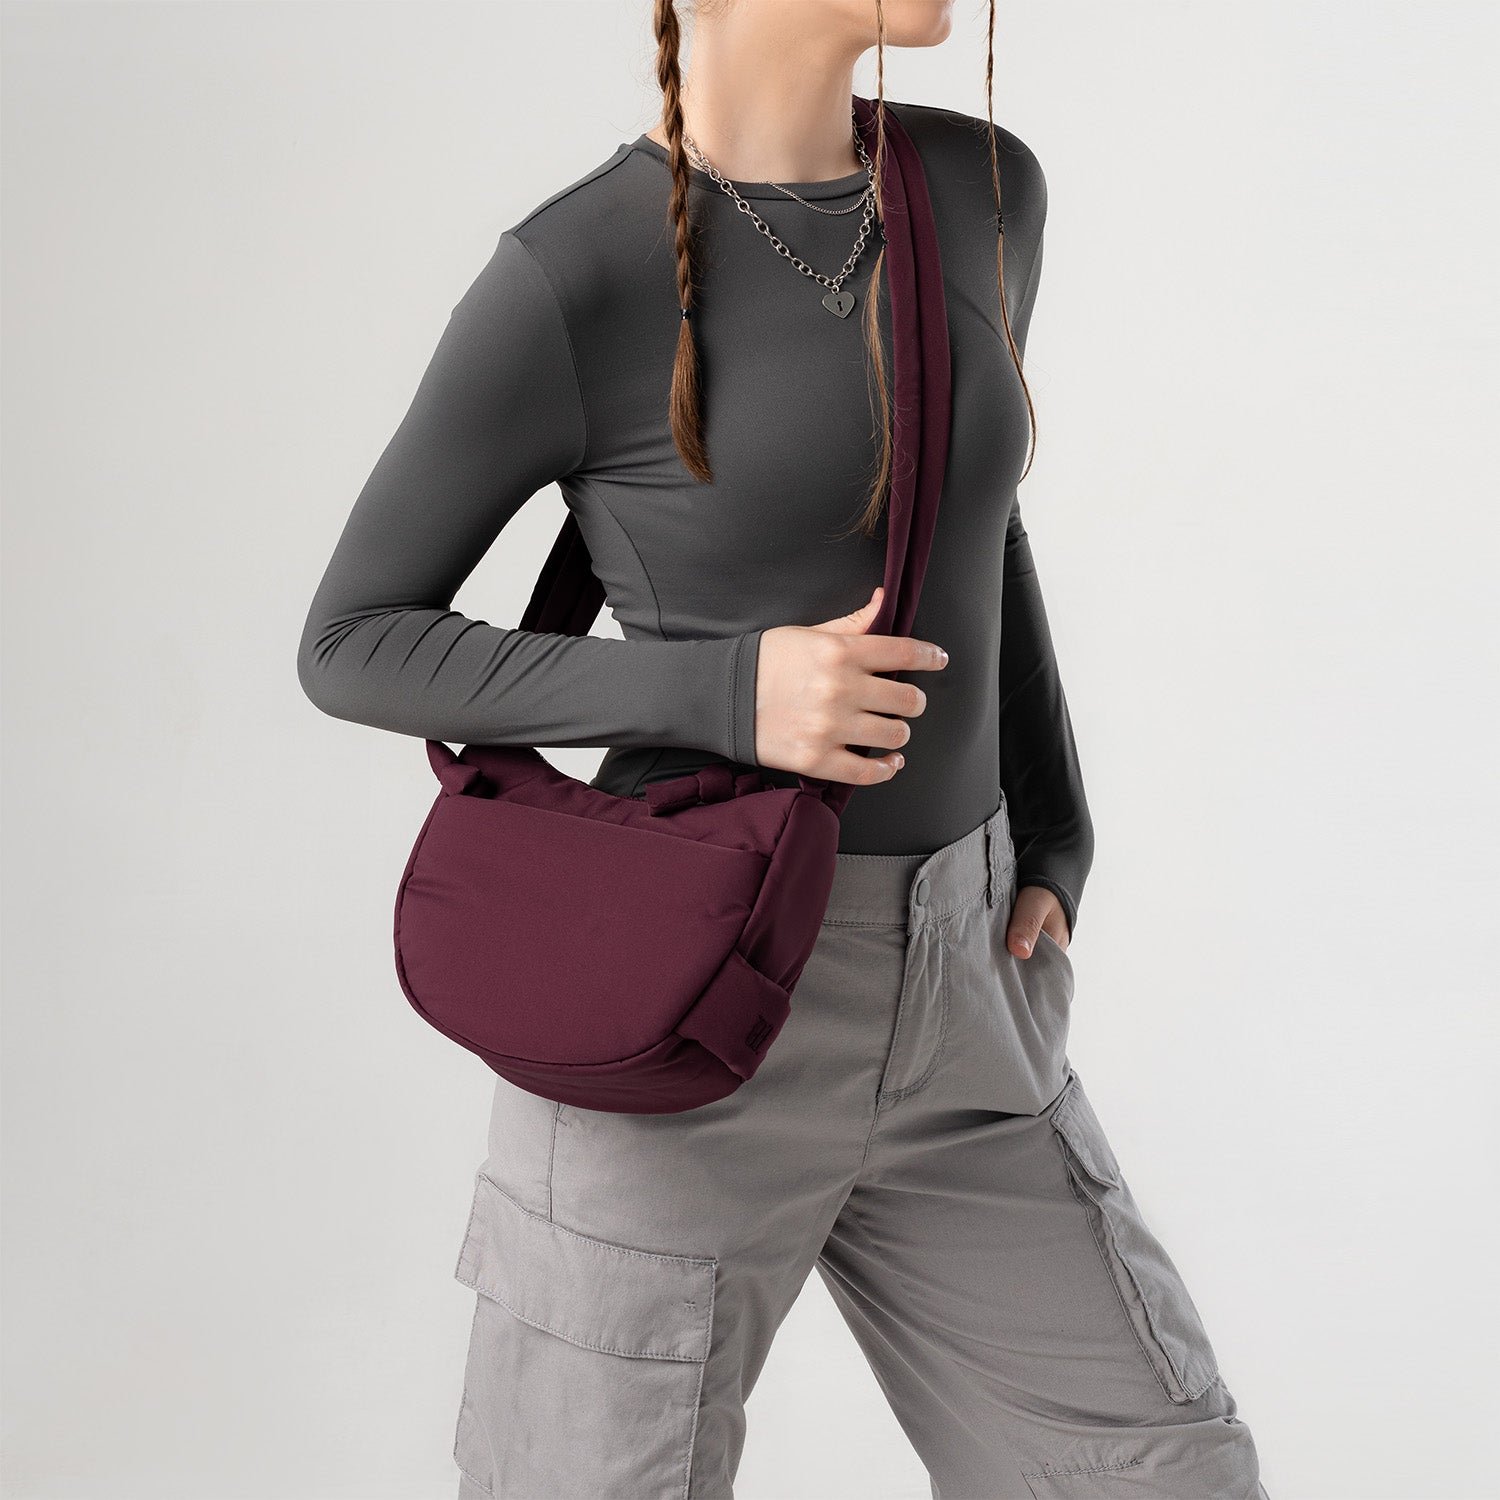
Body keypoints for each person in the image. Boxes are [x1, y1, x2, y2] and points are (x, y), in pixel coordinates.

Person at [297, 2, 1271, 1495]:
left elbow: (968, 517)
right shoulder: (577, 270)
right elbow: (354, 640)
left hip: (967, 999)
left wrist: (1056, 821)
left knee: (1163, 1473)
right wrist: (727, 694)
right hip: (684, 1007)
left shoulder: (983, 190)